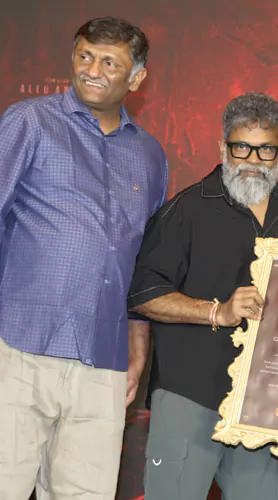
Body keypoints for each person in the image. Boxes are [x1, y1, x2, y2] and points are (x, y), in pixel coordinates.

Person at [0, 17, 167, 499]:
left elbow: (145, 261)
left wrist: (138, 344)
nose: (92, 70)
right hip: (20, 342)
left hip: (104, 357)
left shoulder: (150, 155)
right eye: (85, 56)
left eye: (109, 62)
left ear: (136, 78)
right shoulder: (30, 121)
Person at [127, 92, 278, 500]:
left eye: (266, 149)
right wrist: (217, 312)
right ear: (223, 146)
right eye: (242, 147)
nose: (253, 160)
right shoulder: (187, 209)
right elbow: (144, 293)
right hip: (191, 394)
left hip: (263, 403)